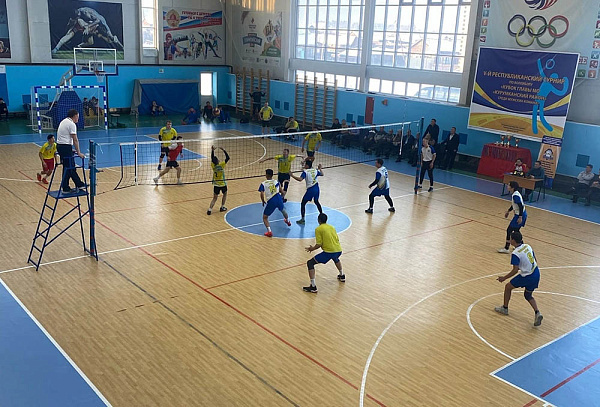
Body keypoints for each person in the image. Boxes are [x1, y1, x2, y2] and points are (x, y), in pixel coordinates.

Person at [495, 231, 543, 327]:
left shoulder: (516, 253)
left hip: (527, 276)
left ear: (513, 240)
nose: (510, 240)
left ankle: (505, 308)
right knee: (528, 295)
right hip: (536, 273)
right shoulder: (527, 246)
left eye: (510, 239)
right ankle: (537, 312)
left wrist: (504, 278)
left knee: (508, 287)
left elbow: (515, 270)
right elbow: (534, 259)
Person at [302, 213, 345, 293]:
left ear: (319, 220)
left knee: (310, 263)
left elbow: (319, 244)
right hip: (338, 250)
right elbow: (337, 239)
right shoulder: (332, 227)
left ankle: (313, 286)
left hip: (329, 252)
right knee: (335, 258)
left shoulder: (318, 229)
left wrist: (312, 249)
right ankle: (342, 275)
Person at [56, 109, 85, 193]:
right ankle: (78, 184)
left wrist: (69, 148)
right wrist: (78, 152)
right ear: (74, 116)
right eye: (77, 117)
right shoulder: (71, 124)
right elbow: (75, 139)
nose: (78, 119)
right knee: (70, 167)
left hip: (61, 146)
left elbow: (63, 137)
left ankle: (66, 186)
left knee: (67, 167)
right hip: (65, 147)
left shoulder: (64, 121)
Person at [259, 169, 292, 237]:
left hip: (271, 200)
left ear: (266, 175)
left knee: (265, 217)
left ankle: (269, 232)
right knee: (283, 210)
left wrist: (262, 200)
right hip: (278, 198)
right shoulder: (276, 181)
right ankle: (287, 221)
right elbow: (281, 191)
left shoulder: (263, 183)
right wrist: (281, 197)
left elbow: (262, 193)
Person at [498, 181, 527, 253]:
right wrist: (508, 211)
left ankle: (506, 248)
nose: (507, 186)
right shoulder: (515, 194)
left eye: (508, 185)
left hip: (519, 215)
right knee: (516, 230)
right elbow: (514, 205)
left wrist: (520, 217)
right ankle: (521, 246)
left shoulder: (515, 196)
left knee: (509, 230)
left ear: (512, 187)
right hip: (522, 214)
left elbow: (520, 206)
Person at [291, 160, 324, 225]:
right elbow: (322, 174)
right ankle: (322, 216)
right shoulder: (315, 170)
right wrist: (320, 169)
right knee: (316, 201)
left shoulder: (305, 172)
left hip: (311, 190)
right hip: (317, 188)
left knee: (303, 203)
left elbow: (300, 179)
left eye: (305, 164)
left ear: (307, 165)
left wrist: (292, 175)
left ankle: (302, 220)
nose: (304, 165)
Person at [207, 146, 230, 215]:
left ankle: (209, 210)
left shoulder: (213, 166)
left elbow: (212, 159)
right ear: (217, 161)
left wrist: (212, 151)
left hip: (216, 184)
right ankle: (222, 207)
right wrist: (224, 150)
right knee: (225, 194)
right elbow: (228, 158)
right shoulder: (221, 165)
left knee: (214, 198)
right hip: (222, 184)